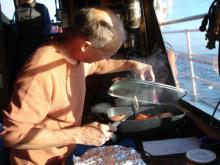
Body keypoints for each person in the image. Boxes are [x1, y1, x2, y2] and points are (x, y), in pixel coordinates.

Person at [1, 7, 155, 165]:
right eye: (106, 54)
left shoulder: (79, 58)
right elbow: (12, 135)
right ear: (85, 46)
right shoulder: (40, 72)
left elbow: (100, 66)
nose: (108, 58)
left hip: (63, 156)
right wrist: (79, 135)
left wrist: (133, 65)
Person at [14, 0, 51, 68]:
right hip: (25, 49)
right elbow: (16, 29)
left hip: (40, 45)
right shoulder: (18, 10)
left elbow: (48, 26)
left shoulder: (42, 8)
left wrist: (43, 40)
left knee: (41, 67)